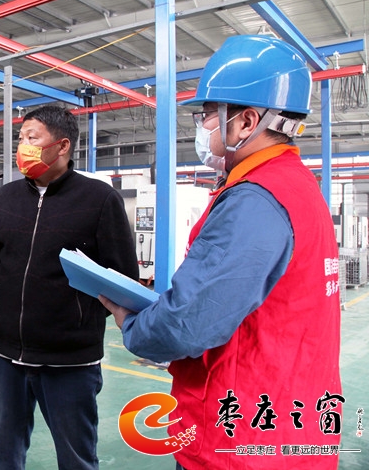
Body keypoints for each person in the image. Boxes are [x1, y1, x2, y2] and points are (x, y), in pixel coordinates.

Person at [99, 35, 342, 470]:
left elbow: (188, 324)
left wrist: (133, 324)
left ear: (247, 121)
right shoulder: (296, 186)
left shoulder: (255, 199)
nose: (203, 125)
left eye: (209, 113)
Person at [0, 105, 139, 470]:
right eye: (21, 138)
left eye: (32, 138)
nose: (23, 146)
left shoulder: (99, 199)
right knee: (5, 452)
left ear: (62, 145)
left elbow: (121, 276)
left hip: (70, 361)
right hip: (6, 356)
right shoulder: (5, 198)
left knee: (76, 457)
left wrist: (76, 317)